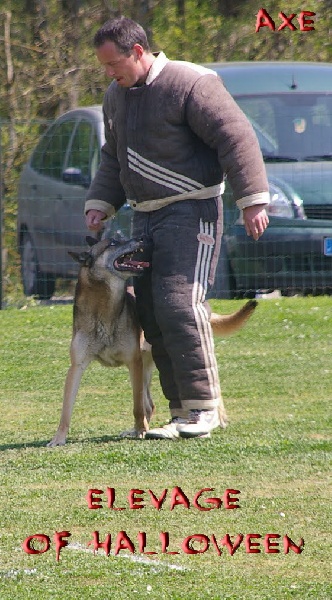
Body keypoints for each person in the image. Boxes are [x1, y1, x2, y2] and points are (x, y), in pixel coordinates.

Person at [85, 16, 269, 439]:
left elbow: (235, 136)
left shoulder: (190, 83)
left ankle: (206, 408)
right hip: (145, 214)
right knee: (150, 309)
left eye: (114, 64)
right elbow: (114, 157)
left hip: (193, 211)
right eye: (104, 67)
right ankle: (182, 411)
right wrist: (100, 203)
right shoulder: (116, 97)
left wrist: (253, 199)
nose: (109, 74)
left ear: (137, 51)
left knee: (179, 302)